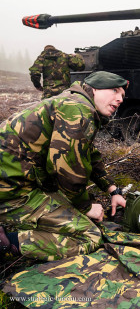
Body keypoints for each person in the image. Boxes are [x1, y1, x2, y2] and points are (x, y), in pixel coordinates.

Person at [0, 71, 128, 261]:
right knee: (90, 236)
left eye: (123, 96)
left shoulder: (73, 101)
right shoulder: (78, 109)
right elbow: (66, 168)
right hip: (12, 194)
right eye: (115, 91)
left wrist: (112, 190)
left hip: (16, 181)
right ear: (94, 89)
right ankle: (8, 243)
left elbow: (88, 154)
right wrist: (85, 206)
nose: (119, 99)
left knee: (74, 207)